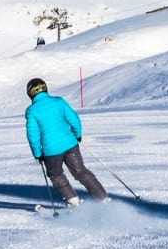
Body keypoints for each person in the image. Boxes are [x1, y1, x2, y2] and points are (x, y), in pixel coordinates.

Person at [24, 77, 107, 205]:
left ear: (30, 93)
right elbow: (74, 119)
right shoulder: (59, 101)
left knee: (56, 175)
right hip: (70, 144)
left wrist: (37, 154)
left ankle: (72, 200)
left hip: (51, 152)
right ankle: (101, 197)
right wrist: (77, 135)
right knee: (81, 171)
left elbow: (33, 135)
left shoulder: (32, 111)